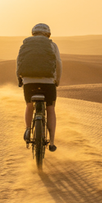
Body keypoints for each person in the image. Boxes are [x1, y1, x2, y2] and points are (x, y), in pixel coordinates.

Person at [16, 22, 62, 151]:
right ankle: (52, 142)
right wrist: (57, 80)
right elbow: (58, 63)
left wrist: (20, 79)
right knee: (50, 108)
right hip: (48, 82)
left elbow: (18, 62)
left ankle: (27, 129)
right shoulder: (52, 45)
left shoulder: (25, 45)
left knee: (29, 105)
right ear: (48, 34)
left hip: (29, 81)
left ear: (33, 33)